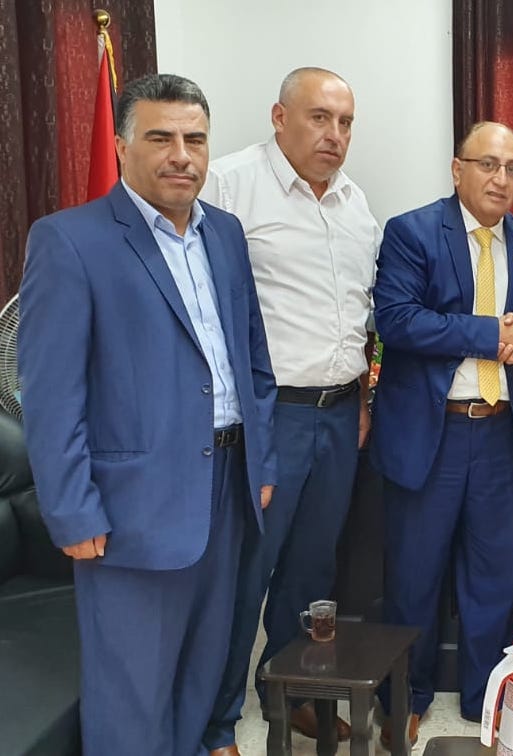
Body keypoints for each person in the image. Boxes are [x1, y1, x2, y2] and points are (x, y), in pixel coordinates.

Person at [17, 73, 277, 756]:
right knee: (132, 692)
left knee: (201, 673)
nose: (181, 155)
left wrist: (262, 463)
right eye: (161, 138)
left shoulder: (225, 233)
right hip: (130, 505)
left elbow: (252, 359)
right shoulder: (69, 241)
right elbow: (50, 394)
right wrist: (72, 511)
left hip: (228, 486)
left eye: (195, 139)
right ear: (122, 146)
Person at [371, 121, 513, 748]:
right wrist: (489, 334)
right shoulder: (412, 232)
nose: (500, 178)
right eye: (488, 164)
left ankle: (487, 702)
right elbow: (398, 320)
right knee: (414, 579)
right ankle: (407, 697)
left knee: (493, 581)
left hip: (500, 439)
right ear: (458, 170)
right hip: (429, 436)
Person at [199, 67, 380, 755]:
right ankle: (217, 722)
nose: (334, 135)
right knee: (247, 572)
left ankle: (295, 696)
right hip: (268, 416)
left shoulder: (356, 205)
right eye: (319, 118)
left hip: (340, 413)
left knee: (312, 570)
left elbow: (359, 317)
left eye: (345, 123)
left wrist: (361, 396)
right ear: (280, 117)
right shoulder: (229, 184)